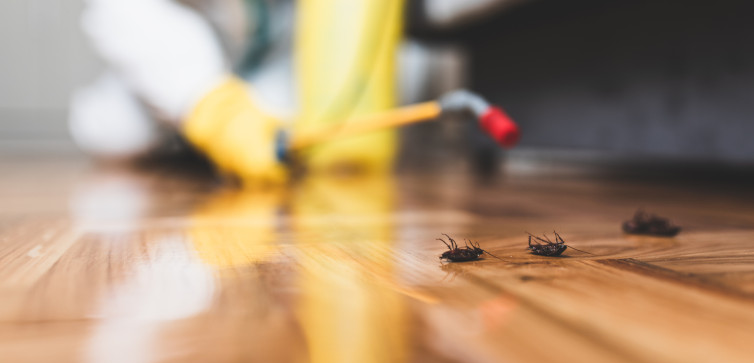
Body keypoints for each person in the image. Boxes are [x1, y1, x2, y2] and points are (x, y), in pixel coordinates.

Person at [70, 0, 523, 186]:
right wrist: (208, 104)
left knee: (297, 128)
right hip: (187, 49)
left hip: (275, 65)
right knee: (110, 127)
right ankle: (191, 137)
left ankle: (209, 144)